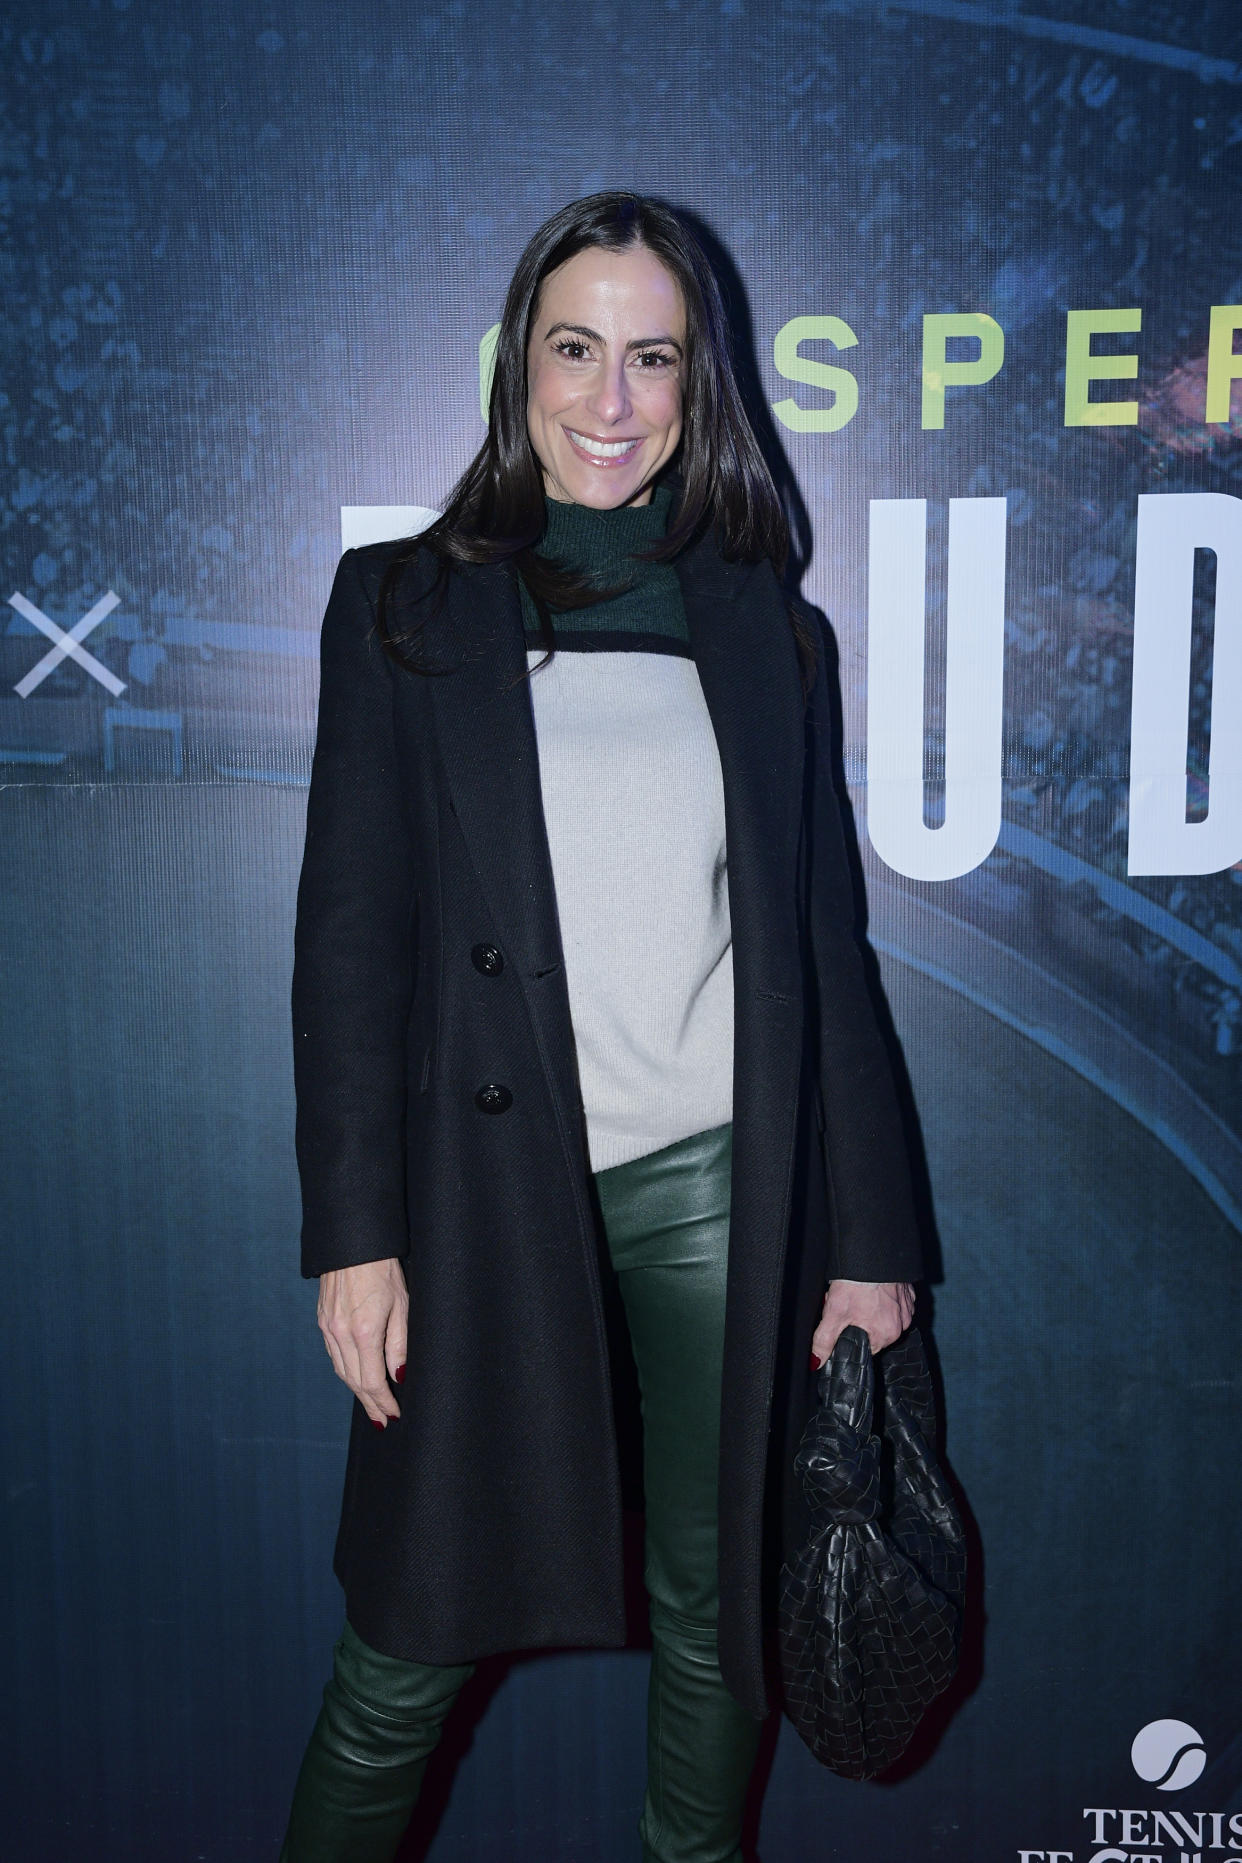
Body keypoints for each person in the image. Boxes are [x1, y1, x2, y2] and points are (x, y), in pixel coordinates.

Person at [280, 190, 922, 1863]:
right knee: (403, 1649)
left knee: (721, 1630)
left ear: (700, 382)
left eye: (655, 357)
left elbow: (819, 948)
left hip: (718, 1189)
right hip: (482, 1204)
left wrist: (872, 1235)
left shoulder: (770, 630)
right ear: (521, 364)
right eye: (578, 351)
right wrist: (353, 1234)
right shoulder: (404, 608)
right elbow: (350, 940)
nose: (614, 400)